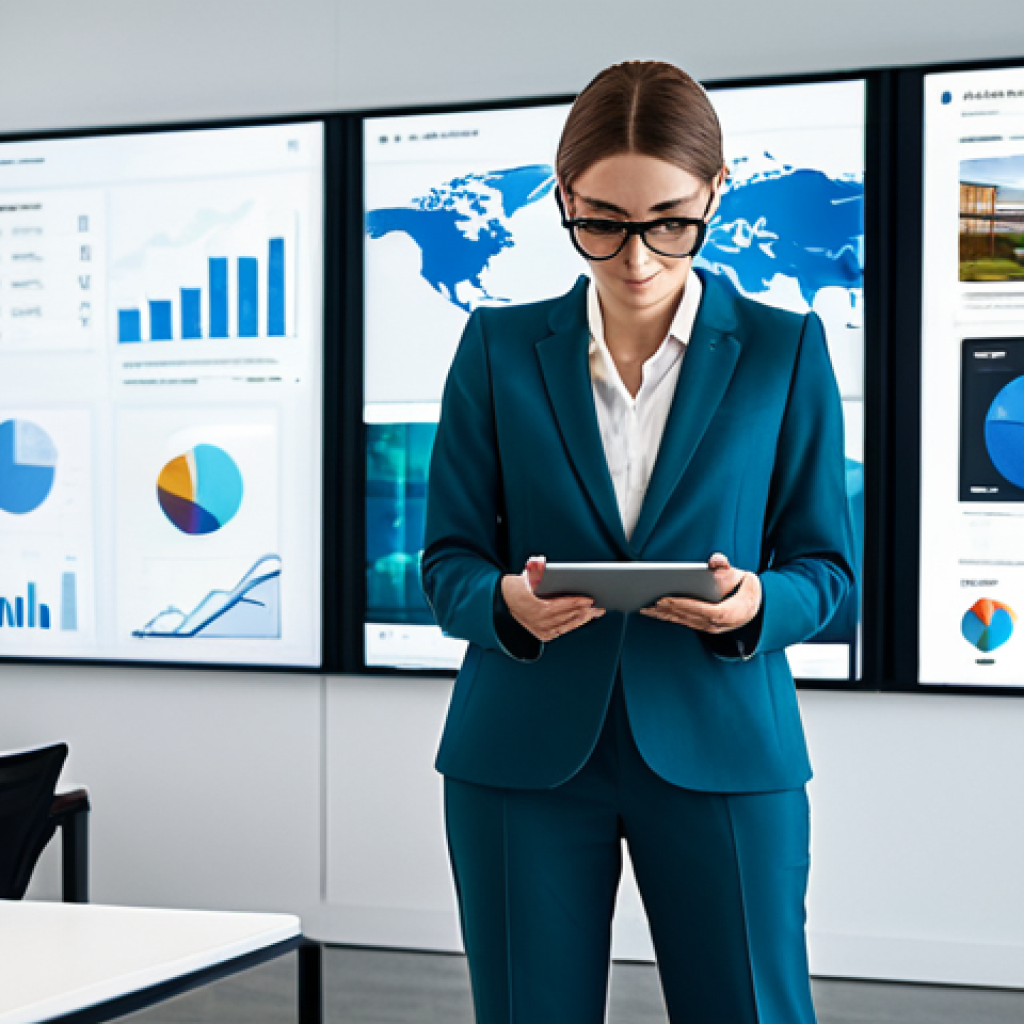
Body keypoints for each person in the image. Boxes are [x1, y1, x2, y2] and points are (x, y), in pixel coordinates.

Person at [421, 60, 855, 1024]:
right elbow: (447, 562)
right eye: (603, 222)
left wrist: (752, 605)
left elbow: (829, 571)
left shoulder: (786, 351)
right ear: (565, 197)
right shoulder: (496, 349)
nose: (637, 256)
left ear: (714, 192)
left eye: (668, 221)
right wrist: (504, 606)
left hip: (724, 741)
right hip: (522, 753)